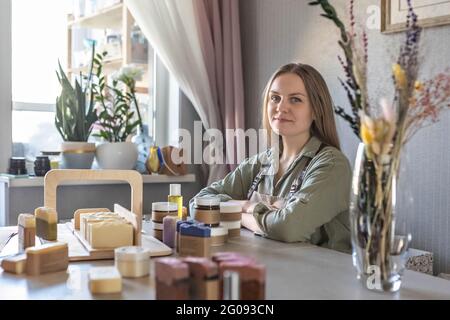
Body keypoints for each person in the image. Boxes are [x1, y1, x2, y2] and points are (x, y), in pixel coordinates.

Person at [189, 63, 352, 252]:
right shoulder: (260, 163)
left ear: (316, 110)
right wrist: (246, 205)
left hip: (320, 278)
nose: (281, 107)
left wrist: (238, 213)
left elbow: (288, 228)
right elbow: (199, 204)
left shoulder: (331, 165)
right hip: (268, 269)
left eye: (295, 100)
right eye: (275, 98)